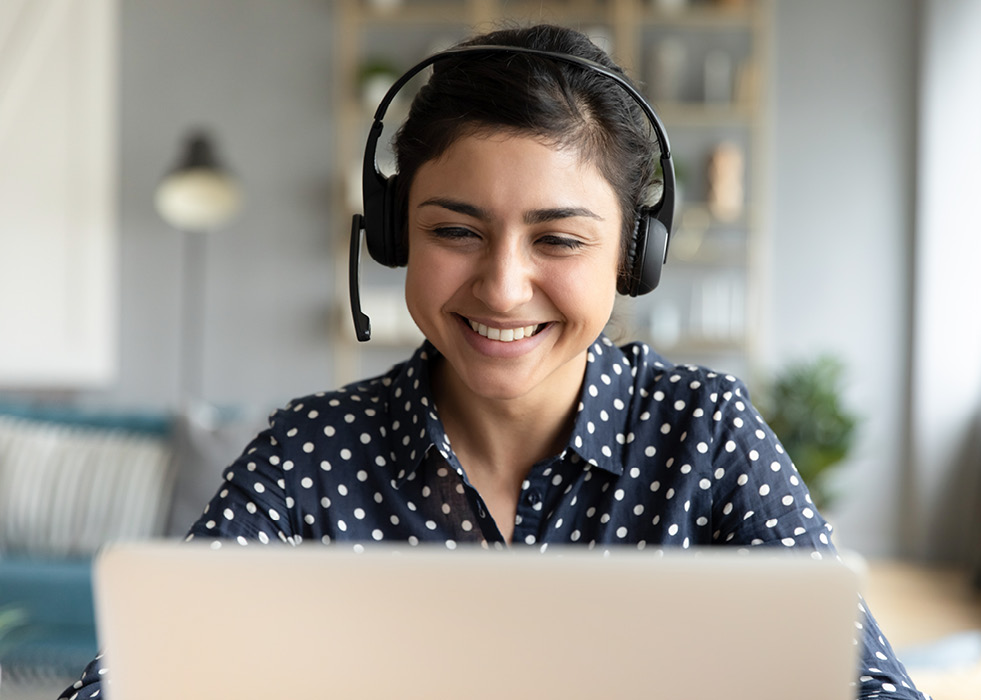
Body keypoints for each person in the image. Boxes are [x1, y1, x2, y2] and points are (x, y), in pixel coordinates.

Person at [61, 23, 929, 700]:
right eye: (454, 231)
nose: (504, 288)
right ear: (396, 234)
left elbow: (867, 681)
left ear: (632, 256)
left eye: (557, 238)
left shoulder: (706, 435)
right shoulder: (308, 454)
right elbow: (135, 678)